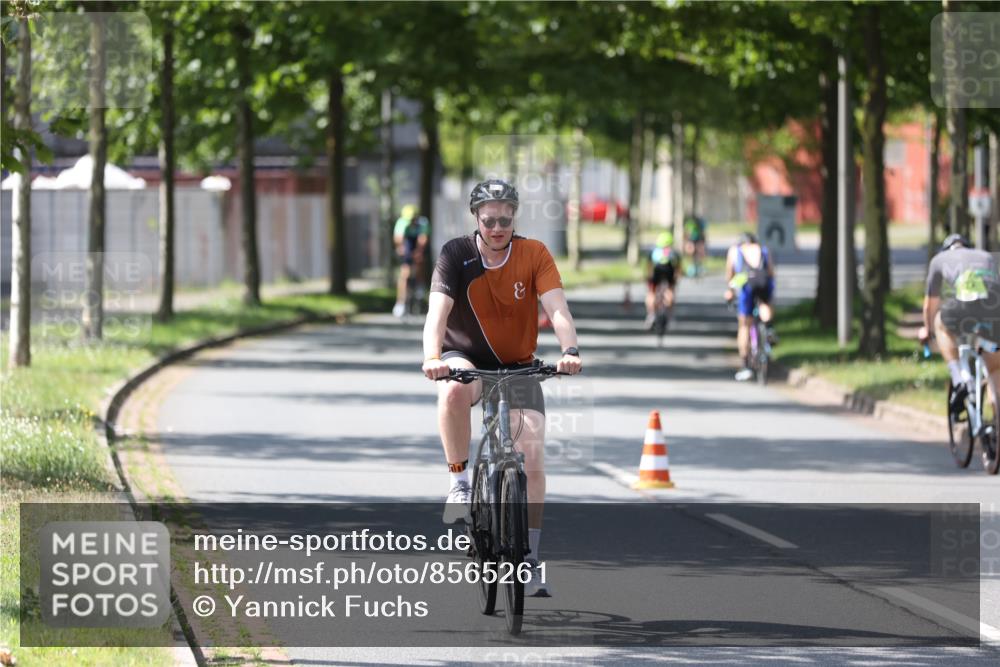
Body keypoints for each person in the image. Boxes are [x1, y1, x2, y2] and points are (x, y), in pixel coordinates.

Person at [422, 179, 583, 597]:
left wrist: (570, 349)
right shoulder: (456, 254)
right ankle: (459, 480)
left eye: (505, 220)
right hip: (465, 359)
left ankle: (529, 557)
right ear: (476, 218)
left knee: (531, 447)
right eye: (489, 220)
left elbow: (558, 308)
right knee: (454, 393)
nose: (497, 228)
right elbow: (436, 313)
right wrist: (433, 358)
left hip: (517, 365)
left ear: (515, 218)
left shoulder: (534, 254)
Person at [918, 233, 1000, 415]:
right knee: (995, 375)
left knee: (940, 322)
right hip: (994, 311)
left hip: (965, 306)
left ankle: (959, 380)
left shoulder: (939, 260)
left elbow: (930, 305)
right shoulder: (985, 256)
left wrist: (928, 330)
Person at [724, 231, 776, 382]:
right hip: (764, 281)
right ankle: (768, 328)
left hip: (747, 283)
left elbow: (730, 274)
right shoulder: (763, 249)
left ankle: (746, 365)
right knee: (764, 305)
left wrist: (730, 291)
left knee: (744, 325)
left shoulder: (735, 250)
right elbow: (771, 271)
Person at [392, 204, 430, 318]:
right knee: (404, 274)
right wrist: (401, 249)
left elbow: (422, 239)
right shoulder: (401, 222)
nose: (412, 222)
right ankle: (400, 302)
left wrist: (419, 252)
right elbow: (398, 239)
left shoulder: (423, 222)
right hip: (407, 242)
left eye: (413, 220)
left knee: (419, 264)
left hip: (417, 242)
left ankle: (419, 287)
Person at [644, 230, 682, 330]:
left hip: (656, 271)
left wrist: (649, 280)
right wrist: (675, 281)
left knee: (651, 293)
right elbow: (678, 269)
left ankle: (651, 315)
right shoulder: (674, 253)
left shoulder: (653, 251)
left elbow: (649, 268)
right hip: (669, 271)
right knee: (670, 291)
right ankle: (670, 316)